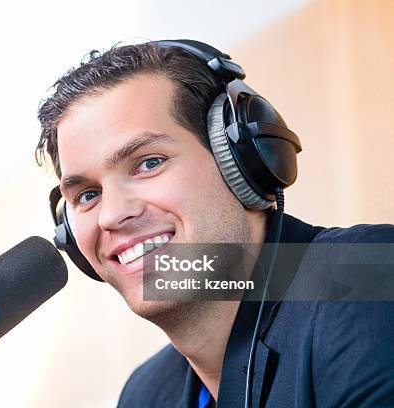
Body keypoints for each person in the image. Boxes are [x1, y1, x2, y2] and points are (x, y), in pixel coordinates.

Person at [35, 40, 394, 407]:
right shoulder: (146, 394)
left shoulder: (368, 283)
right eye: (87, 195)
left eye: (149, 163)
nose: (111, 215)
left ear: (240, 158)